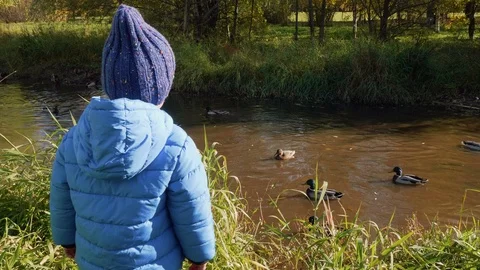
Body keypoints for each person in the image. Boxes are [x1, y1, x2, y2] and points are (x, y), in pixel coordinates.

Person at [49, 4, 215, 270]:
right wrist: (200, 257)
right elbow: (192, 211)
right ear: (162, 87)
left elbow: (61, 201)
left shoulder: (74, 139)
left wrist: (67, 242)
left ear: (110, 84)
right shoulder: (176, 143)